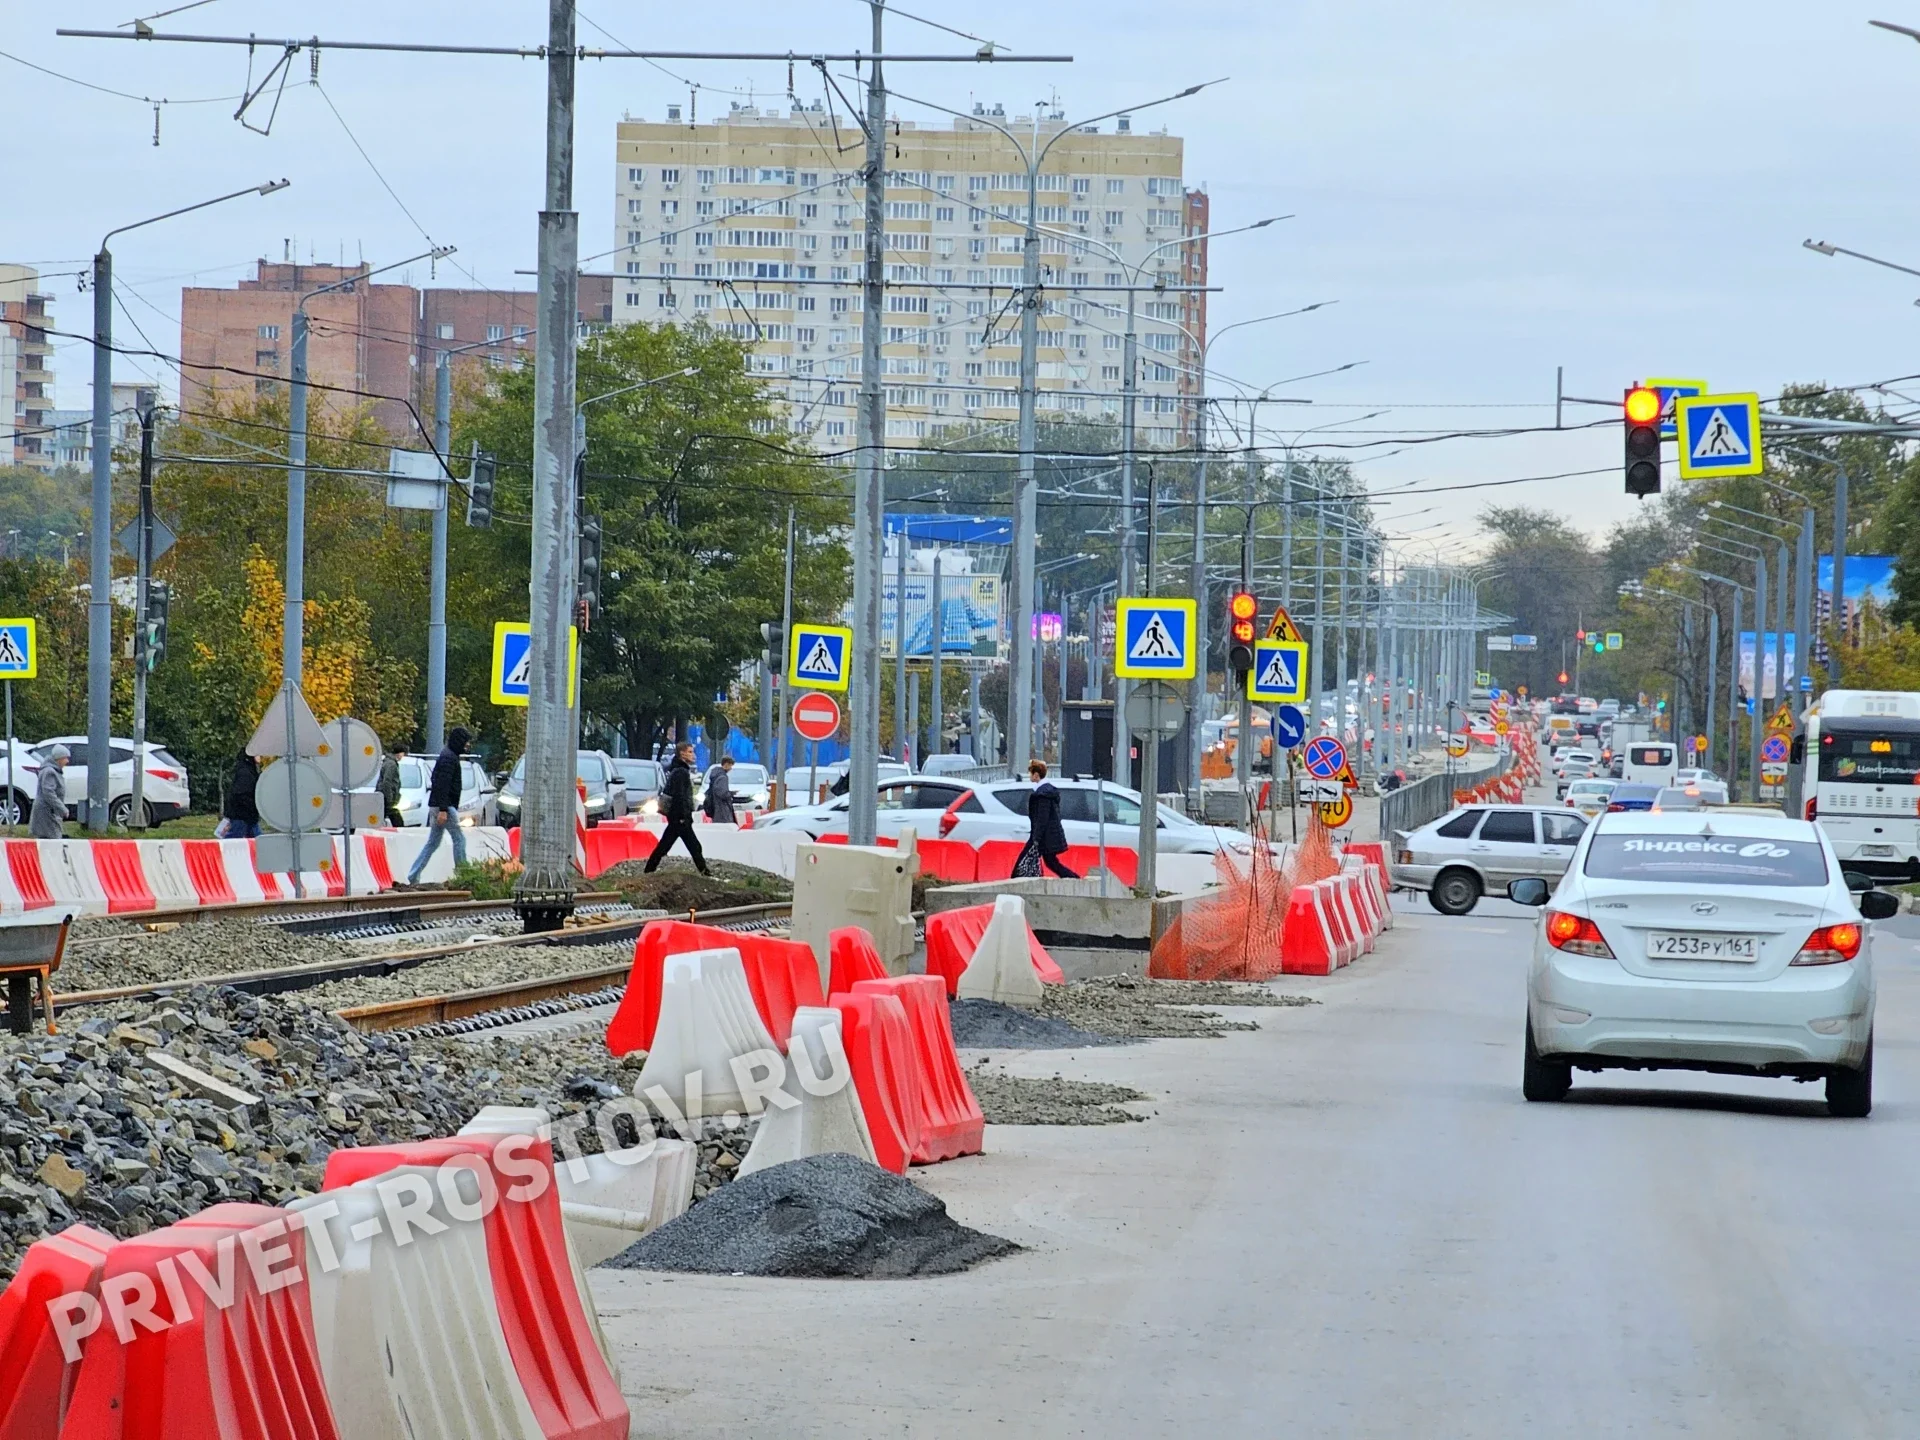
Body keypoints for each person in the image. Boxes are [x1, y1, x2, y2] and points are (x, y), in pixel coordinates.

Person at [406, 727, 470, 885]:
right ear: (459, 741)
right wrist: (443, 809)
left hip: (439, 806)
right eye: (466, 742)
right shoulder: (449, 758)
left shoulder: (447, 755)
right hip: (445, 807)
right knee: (459, 839)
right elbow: (442, 785)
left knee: (433, 842)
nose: (467, 746)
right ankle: (464, 875)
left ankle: (414, 875)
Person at [645, 742, 710, 875]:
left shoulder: (678, 770)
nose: (694, 756)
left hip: (677, 817)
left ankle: (649, 870)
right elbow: (680, 797)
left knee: (665, 846)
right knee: (693, 846)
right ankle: (705, 873)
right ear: (682, 753)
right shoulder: (681, 772)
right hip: (680, 818)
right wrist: (682, 816)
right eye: (690, 752)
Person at [1018, 759, 1078, 878]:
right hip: (1047, 836)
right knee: (1051, 862)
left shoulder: (1042, 795)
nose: (1029, 776)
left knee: (1022, 862)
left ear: (1036, 775)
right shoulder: (1047, 792)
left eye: (1030, 773)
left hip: (1043, 837)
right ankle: (1074, 878)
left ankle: (1075, 879)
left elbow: (1042, 819)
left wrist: (1036, 839)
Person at [29, 745, 67, 839]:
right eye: (65, 758)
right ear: (59, 758)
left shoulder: (50, 770)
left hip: (48, 811)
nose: (67, 761)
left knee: (45, 840)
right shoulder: (50, 771)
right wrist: (62, 808)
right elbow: (49, 793)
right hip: (47, 812)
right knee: (53, 840)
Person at [224, 750, 261, 838]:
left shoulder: (247, 769)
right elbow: (240, 794)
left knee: (257, 841)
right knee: (234, 841)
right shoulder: (246, 772)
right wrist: (252, 806)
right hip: (242, 815)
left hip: (246, 815)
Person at [703, 755, 738, 824]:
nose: (731, 768)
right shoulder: (723, 777)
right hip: (722, 808)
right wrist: (731, 793)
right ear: (726, 764)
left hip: (715, 806)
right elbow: (723, 794)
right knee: (725, 827)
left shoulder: (715, 775)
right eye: (730, 766)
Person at [378, 745, 405, 828]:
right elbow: (387, 781)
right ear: (399, 753)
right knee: (396, 818)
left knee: (381, 815)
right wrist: (389, 798)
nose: (403, 756)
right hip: (386, 797)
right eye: (403, 753)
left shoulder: (388, 762)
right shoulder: (391, 764)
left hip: (383, 796)